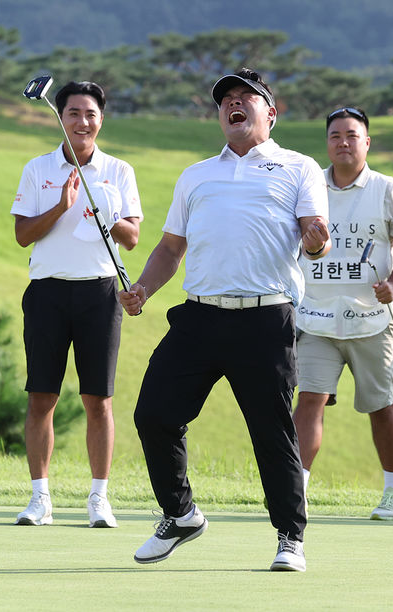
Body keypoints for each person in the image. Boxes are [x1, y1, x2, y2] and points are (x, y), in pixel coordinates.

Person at [119, 68, 330, 572]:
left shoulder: (299, 167)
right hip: (199, 317)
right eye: (226, 100)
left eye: (246, 98)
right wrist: (144, 287)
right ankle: (181, 513)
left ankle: (290, 538)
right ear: (219, 115)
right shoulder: (196, 175)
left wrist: (318, 239)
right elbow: (171, 247)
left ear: (270, 114)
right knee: (154, 414)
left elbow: (313, 238)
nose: (235, 105)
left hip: (265, 319)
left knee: (272, 431)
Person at [10, 80, 143, 528]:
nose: (82, 122)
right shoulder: (38, 168)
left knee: (98, 399)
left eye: (89, 114)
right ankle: (39, 498)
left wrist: (105, 211)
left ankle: (99, 498)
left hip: (98, 293)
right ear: (61, 118)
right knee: (41, 396)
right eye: (73, 113)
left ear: (100, 119)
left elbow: (133, 237)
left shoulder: (118, 171)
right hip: (47, 291)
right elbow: (22, 235)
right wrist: (62, 205)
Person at [292, 106, 393, 521]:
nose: (343, 142)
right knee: (309, 398)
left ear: (367, 142)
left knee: (380, 405)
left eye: (352, 135)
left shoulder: (388, 189)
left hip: (372, 319)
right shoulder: (309, 189)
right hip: (315, 316)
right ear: (326, 143)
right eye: (335, 136)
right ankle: (297, 491)